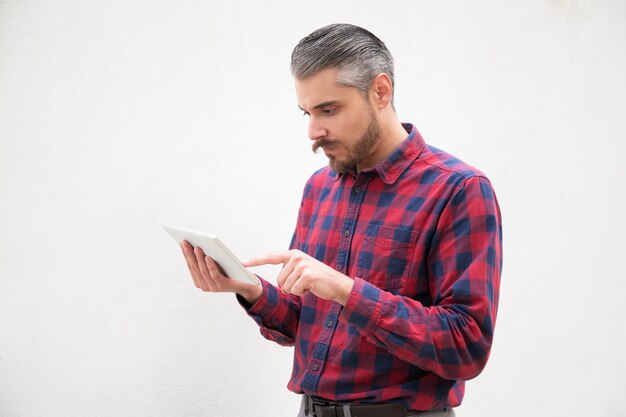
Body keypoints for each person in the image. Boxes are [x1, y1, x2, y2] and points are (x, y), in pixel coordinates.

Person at [180, 23, 502, 417]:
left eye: (329, 110)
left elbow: (466, 347)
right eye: (307, 113)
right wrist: (249, 290)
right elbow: (306, 322)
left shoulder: (458, 189)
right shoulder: (319, 188)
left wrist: (346, 291)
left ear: (380, 91)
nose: (314, 131)